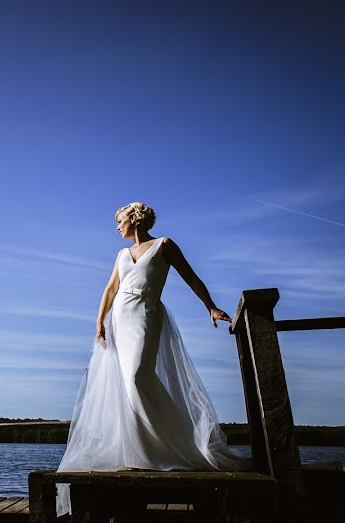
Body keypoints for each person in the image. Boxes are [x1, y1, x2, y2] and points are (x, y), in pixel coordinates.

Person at [55, 202, 244, 516]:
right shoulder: (120, 255)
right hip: (119, 320)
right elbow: (111, 288)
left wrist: (209, 306)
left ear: (132, 218)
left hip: (145, 315)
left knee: (137, 377)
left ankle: (179, 444)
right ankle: (137, 453)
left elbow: (191, 277)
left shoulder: (164, 245)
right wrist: (99, 320)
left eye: (119, 221)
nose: (117, 228)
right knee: (123, 385)